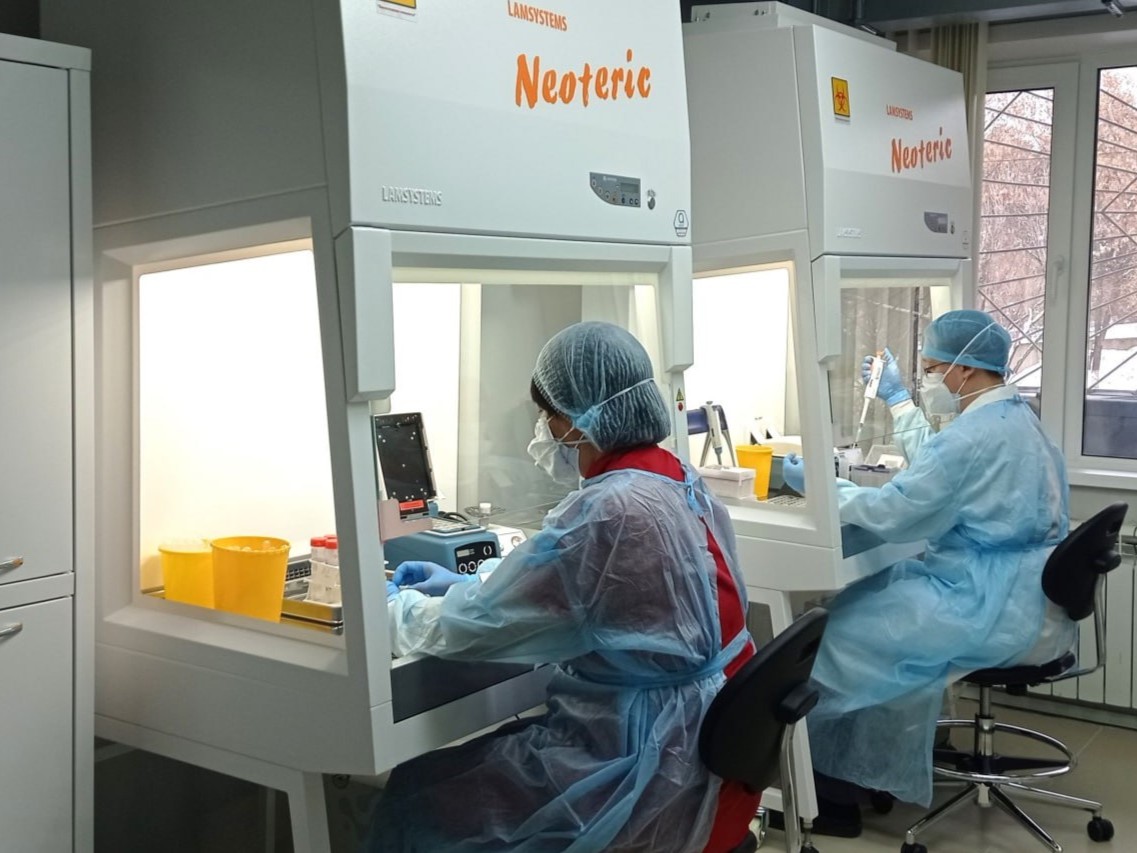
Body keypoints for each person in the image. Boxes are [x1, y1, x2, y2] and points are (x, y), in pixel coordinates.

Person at [369, 321, 759, 853]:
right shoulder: (675, 477)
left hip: (643, 772)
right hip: (703, 757)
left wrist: (395, 610)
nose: (544, 429)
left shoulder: (608, 510)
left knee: (412, 794)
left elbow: (474, 625)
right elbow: (586, 587)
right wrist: (467, 580)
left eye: (548, 414)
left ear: (581, 417)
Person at [780, 309, 1075, 836]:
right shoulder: (1014, 418)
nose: (930, 379)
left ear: (966, 368)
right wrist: (897, 401)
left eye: (933, 369)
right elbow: (944, 469)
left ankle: (830, 791)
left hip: (987, 605)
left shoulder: (974, 436)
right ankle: (867, 765)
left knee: (833, 636)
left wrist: (822, 488)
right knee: (868, 607)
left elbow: (895, 512)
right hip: (1024, 598)